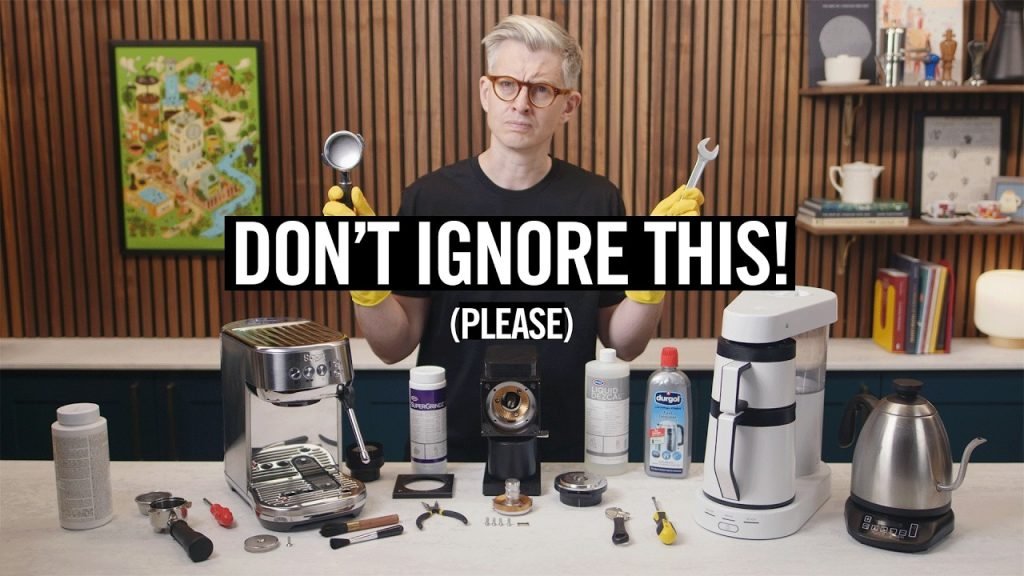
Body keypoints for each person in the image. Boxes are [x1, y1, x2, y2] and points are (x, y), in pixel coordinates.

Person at [323, 15, 703, 462]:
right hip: (449, 455)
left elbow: (624, 343)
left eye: (541, 90)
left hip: (563, 455)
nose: (521, 103)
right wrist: (364, 277)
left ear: (568, 106)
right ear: (486, 92)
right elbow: (393, 346)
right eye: (507, 85)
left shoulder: (596, 200)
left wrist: (654, 267)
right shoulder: (430, 199)